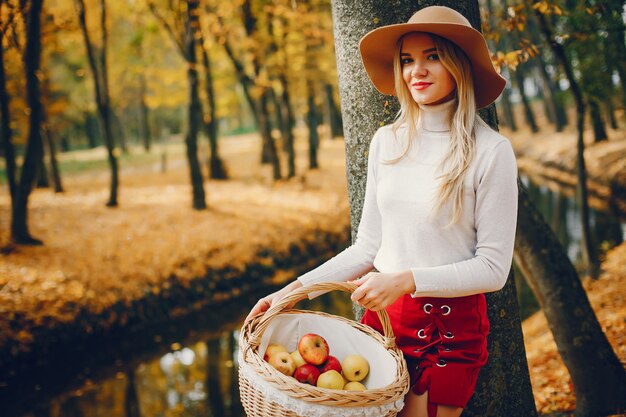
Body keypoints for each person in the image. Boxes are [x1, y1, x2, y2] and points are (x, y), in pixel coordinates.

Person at [246, 6, 518, 417]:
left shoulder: (492, 151)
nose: (416, 71)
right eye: (407, 60)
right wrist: (288, 294)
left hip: (446, 330)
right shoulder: (386, 142)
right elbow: (367, 247)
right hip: (382, 326)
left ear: (458, 64)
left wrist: (407, 281)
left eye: (432, 56)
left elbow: (494, 269)